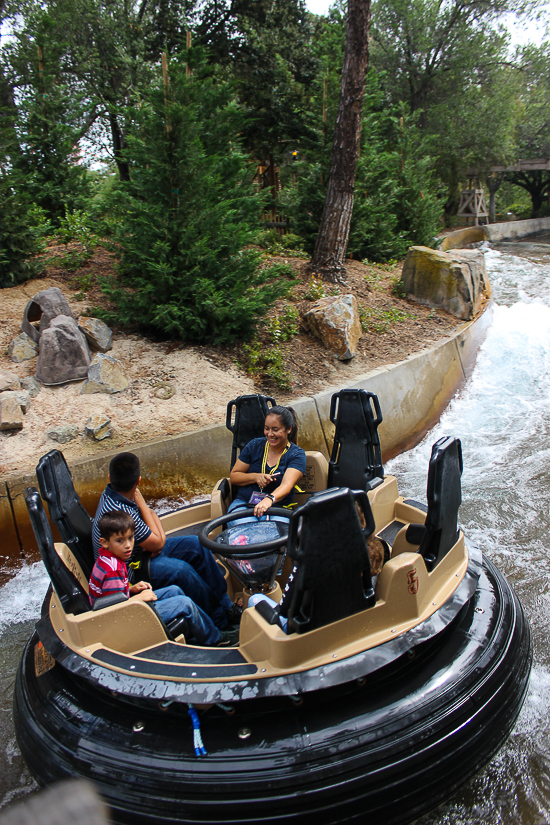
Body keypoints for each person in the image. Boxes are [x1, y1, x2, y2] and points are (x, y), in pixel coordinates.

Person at [92, 452, 242, 633]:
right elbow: (158, 541)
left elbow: (155, 528)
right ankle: (219, 621)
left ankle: (226, 605)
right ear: (138, 481)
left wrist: (156, 535)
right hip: (131, 568)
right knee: (182, 571)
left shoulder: (110, 494)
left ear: (109, 478)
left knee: (196, 544)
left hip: (140, 552)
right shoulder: (124, 510)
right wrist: (145, 510)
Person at [90, 511, 236, 646]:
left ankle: (196, 632)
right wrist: (138, 598)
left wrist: (132, 588)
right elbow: (114, 610)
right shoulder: (112, 570)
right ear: (104, 542)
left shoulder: (110, 558)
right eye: (120, 541)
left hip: (127, 606)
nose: (128, 545)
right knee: (184, 603)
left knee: (175, 590)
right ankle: (215, 639)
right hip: (123, 621)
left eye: (130, 538)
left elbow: (115, 591)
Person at [228, 406, 307, 519]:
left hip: (277, 508)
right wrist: (255, 477)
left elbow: (287, 485)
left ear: (288, 429)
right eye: (266, 428)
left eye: (275, 430)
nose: (270, 434)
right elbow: (234, 476)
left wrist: (269, 499)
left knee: (271, 534)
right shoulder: (254, 445)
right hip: (244, 504)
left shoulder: (296, 454)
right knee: (246, 531)